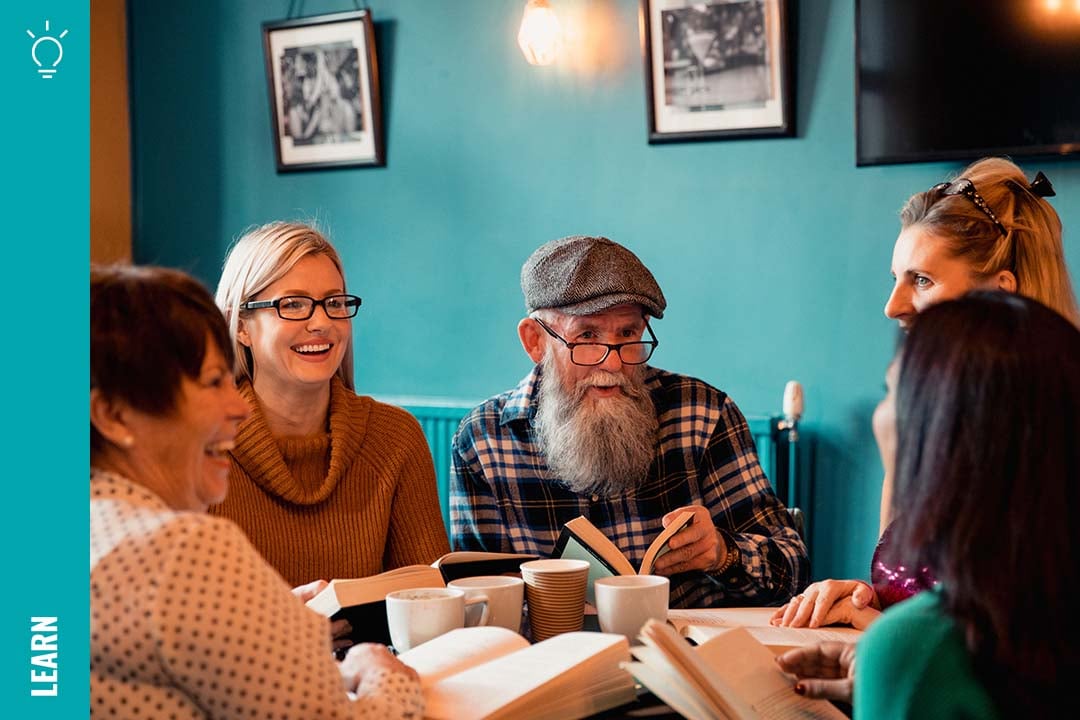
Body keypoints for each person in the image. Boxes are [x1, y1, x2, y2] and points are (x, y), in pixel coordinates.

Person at [90, 264, 423, 717]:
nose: (237, 407)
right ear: (113, 416)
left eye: (334, 302)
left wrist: (268, 629)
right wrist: (383, 675)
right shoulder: (181, 547)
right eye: (211, 383)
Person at [772, 157, 1079, 632]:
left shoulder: (1052, 456)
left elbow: (1019, 657)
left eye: (922, 280)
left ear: (999, 297)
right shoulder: (912, 425)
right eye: (895, 278)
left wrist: (874, 630)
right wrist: (861, 599)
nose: (892, 307)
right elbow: (910, 603)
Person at [450, 235, 808, 608]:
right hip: (548, 656)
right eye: (587, 335)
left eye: (627, 334)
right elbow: (476, 601)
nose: (614, 363)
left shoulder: (703, 413)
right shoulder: (483, 440)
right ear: (535, 341)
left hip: (686, 654)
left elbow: (794, 570)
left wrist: (724, 553)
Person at [782, 292, 1080, 717]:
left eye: (890, 393)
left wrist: (901, 670)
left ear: (939, 431)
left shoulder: (919, 645)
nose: (893, 303)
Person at [211, 221, 449, 590]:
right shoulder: (197, 446)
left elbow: (430, 597)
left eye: (335, 303)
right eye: (293, 304)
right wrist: (284, 622)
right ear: (241, 325)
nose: (321, 322)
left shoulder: (396, 438)